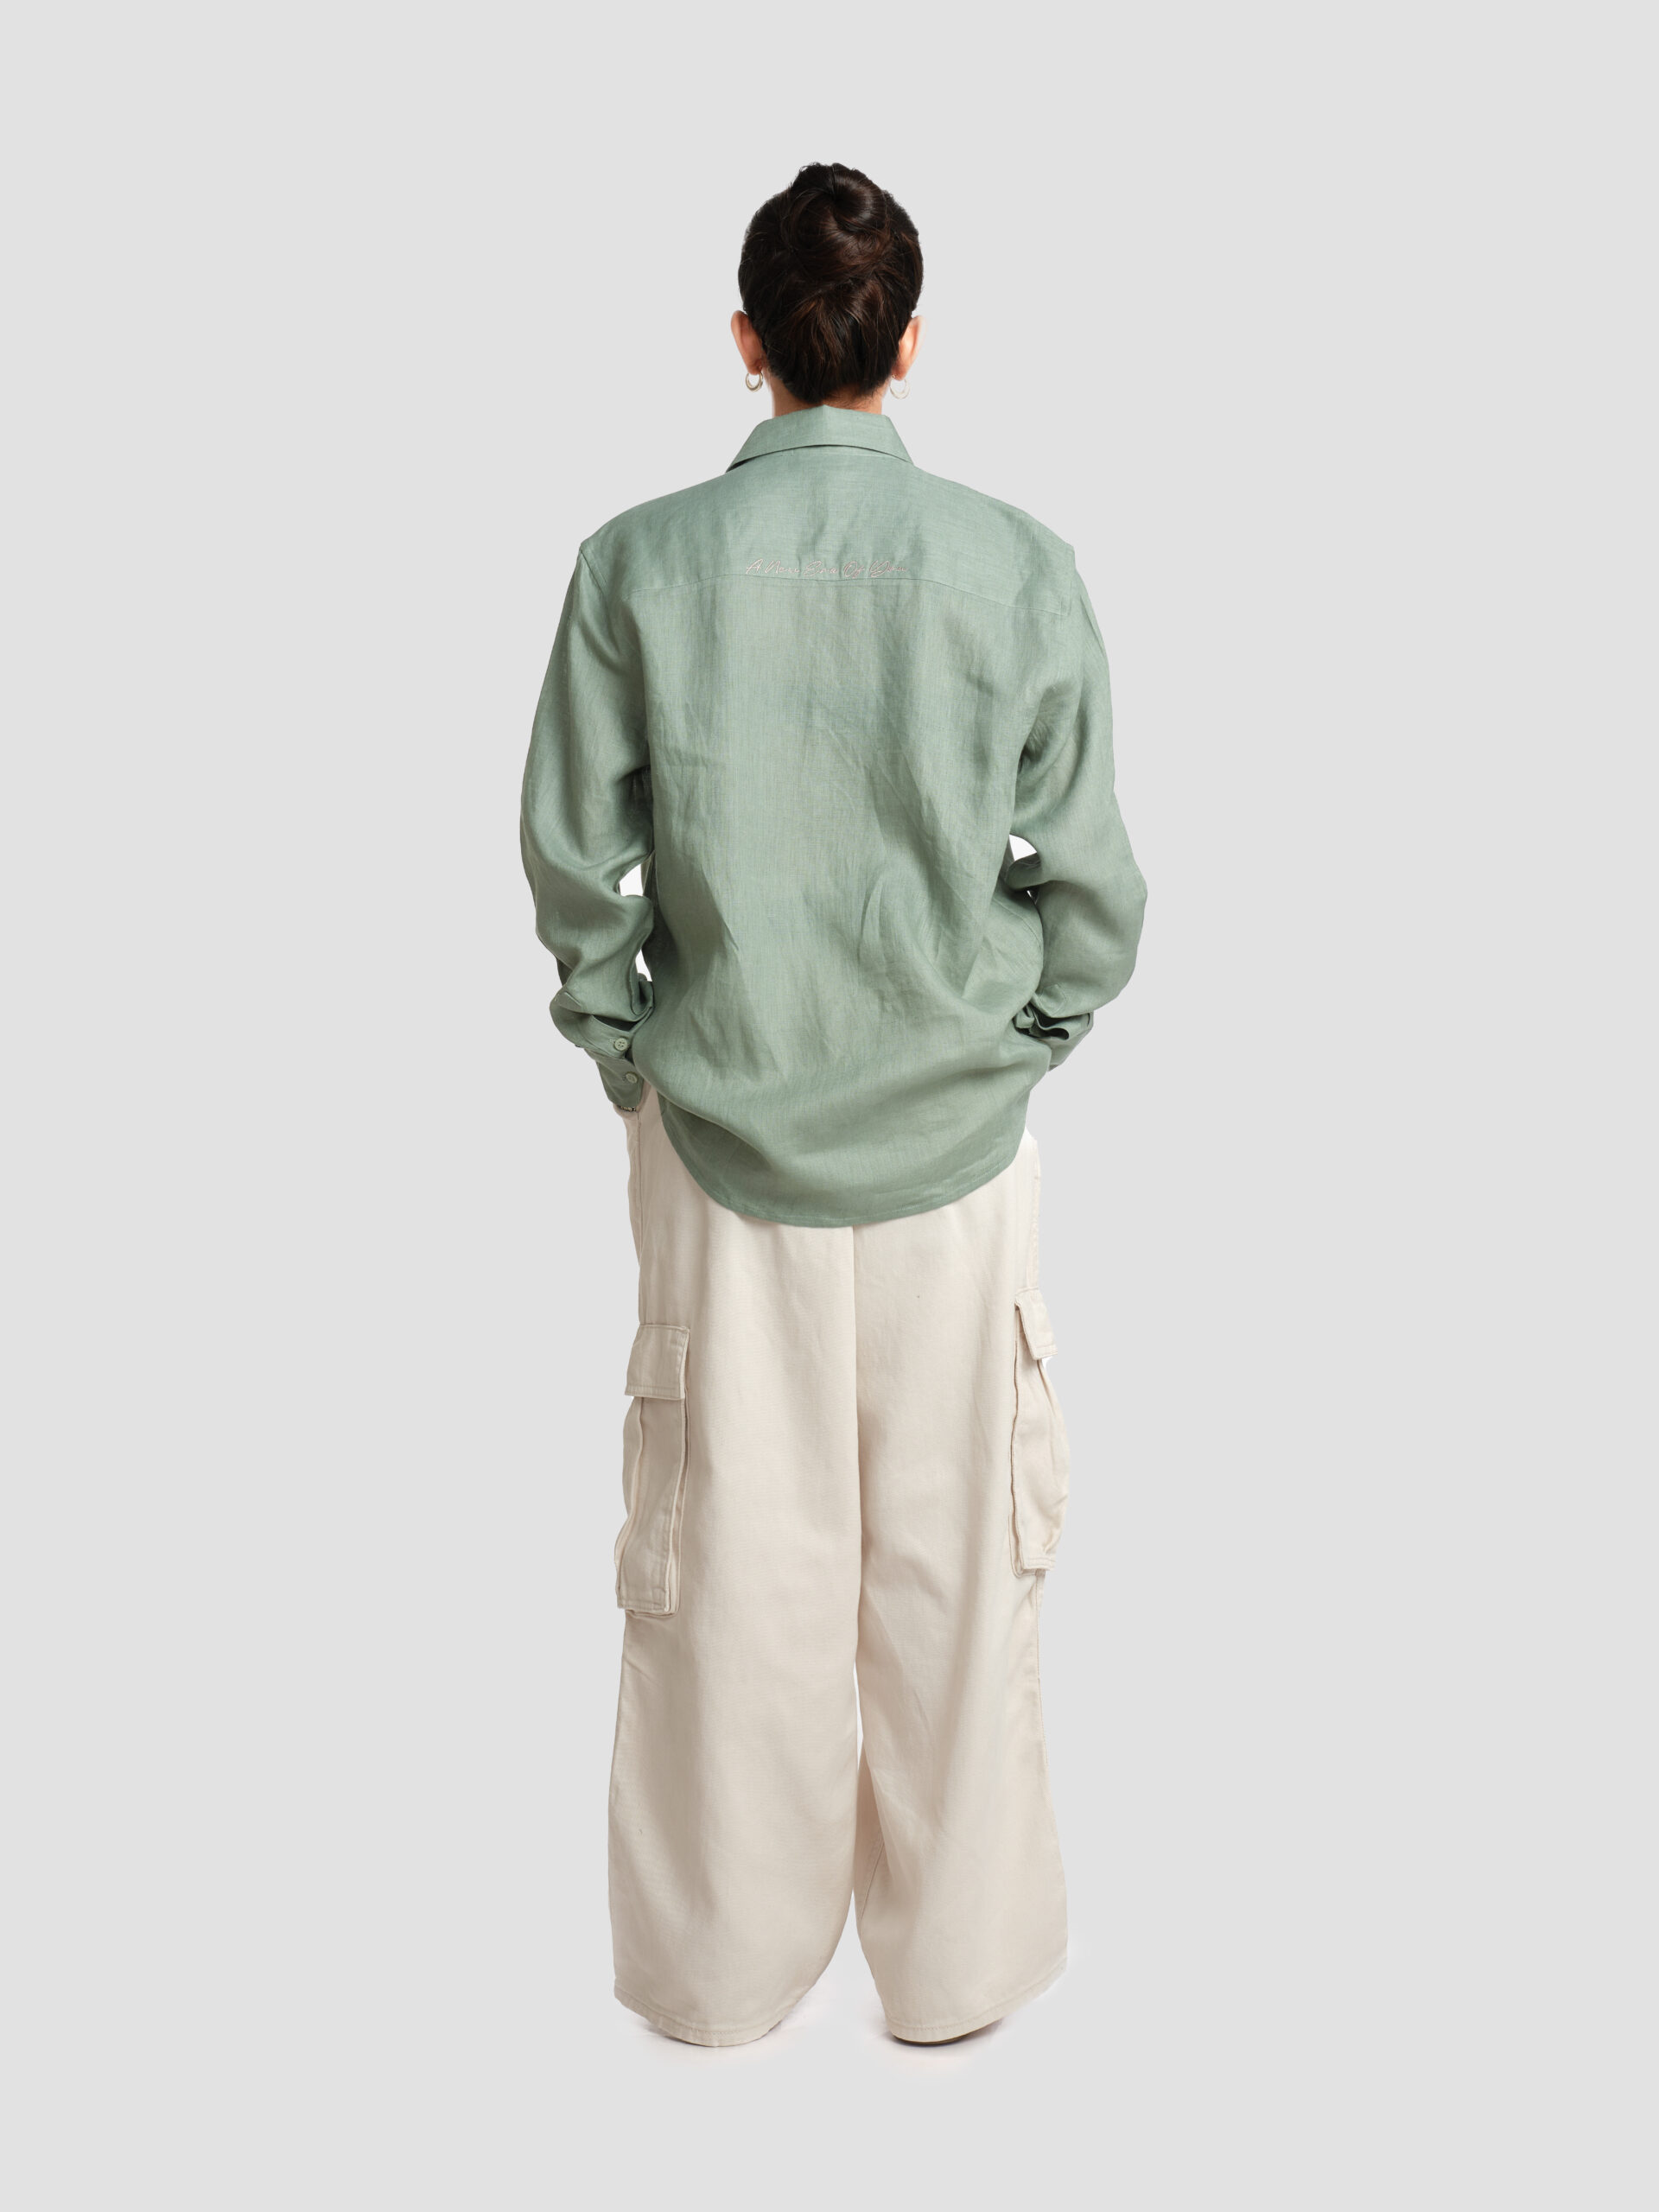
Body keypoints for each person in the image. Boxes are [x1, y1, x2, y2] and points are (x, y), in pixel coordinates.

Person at [519, 162, 1147, 2047]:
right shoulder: (1019, 566)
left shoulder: (636, 567)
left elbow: (572, 866)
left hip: (722, 1142)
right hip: (958, 1155)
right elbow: (1094, 892)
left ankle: (718, 1978)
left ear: (748, 341)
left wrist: (632, 1052)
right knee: (956, 1574)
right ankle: (956, 1977)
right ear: (909, 345)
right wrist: (1020, 1033)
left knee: (727, 1571)